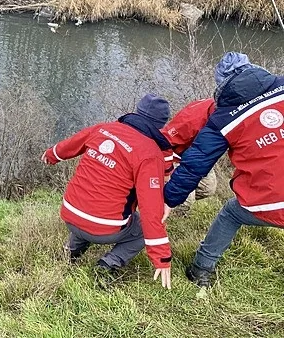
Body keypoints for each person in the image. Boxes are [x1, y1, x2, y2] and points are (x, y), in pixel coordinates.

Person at [165, 52, 284, 287]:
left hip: (271, 203)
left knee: (231, 213)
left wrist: (167, 200)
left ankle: (201, 269)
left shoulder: (222, 118)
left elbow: (195, 164)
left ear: (221, 83)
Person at [41, 94, 173, 289]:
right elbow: (150, 210)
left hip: (70, 213)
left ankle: (72, 250)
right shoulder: (150, 154)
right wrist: (161, 257)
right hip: (104, 228)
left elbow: (69, 145)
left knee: (93, 198)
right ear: (160, 125)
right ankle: (107, 265)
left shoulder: (103, 129)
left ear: (136, 112)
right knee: (142, 227)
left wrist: (51, 155)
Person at [161, 98, 218, 213]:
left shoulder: (231, 114)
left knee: (208, 188)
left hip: (199, 155)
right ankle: (165, 219)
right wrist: (166, 172)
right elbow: (164, 142)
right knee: (184, 200)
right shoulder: (192, 119)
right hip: (176, 156)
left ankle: (167, 203)